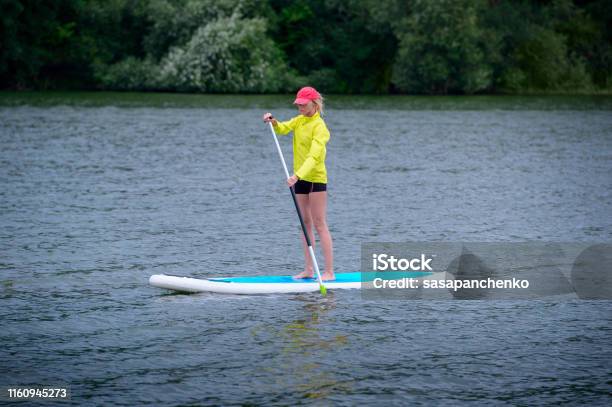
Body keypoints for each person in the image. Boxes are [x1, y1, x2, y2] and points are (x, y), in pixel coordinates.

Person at [262, 86, 334, 281]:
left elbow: (314, 156)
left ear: (314, 104)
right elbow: (284, 128)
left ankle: (329, 272)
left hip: (315, 179)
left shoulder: (320, 127)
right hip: (299, 178)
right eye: (298, 104)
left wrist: (297, 175)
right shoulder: (300, 121)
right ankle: (309, 269)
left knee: (320, 223)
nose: (300, 107)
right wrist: (274, 122)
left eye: (303, 104)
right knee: (305, 224)